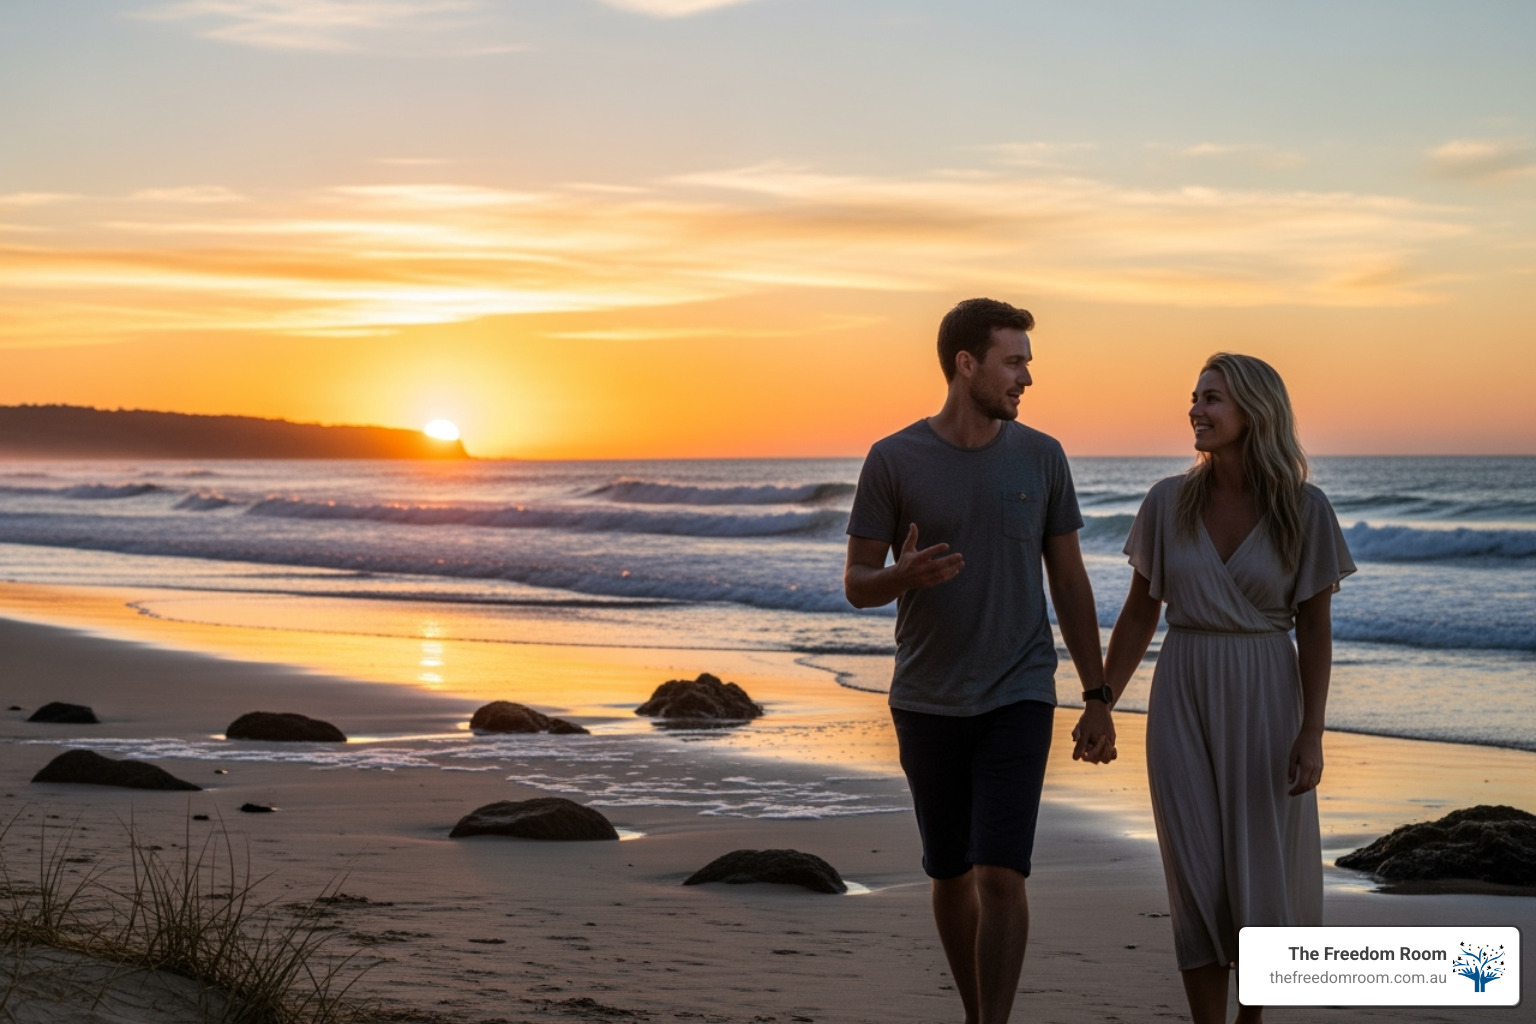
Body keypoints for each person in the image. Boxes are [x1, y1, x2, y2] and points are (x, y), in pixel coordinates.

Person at [843, 297, 1111, 1024]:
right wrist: (903, 577)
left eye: (1027, 361)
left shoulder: (1042, 456)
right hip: (926, 698)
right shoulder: (893, 459)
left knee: (1001, 871)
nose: (1027, 376)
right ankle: (974, 1013)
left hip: (1019, 694)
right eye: (1014, 360)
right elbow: (857, 583)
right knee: (950, 870)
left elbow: (1071, 581)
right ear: (967, 365)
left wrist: (1098, 694)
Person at [1081, 352, 1354, 1024]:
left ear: (1254, 413)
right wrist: (1100, 701)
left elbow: (1315, 631)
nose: (1196, 411)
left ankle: (1251, 1020)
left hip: (1268, 693)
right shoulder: (1168, 501)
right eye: (1195, 397)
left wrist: (1311, 730)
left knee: (1260, 873)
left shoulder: (1304, 510)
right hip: (1184, 689)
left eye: (1213, 399)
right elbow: (1142, 611)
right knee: (1195, 875)